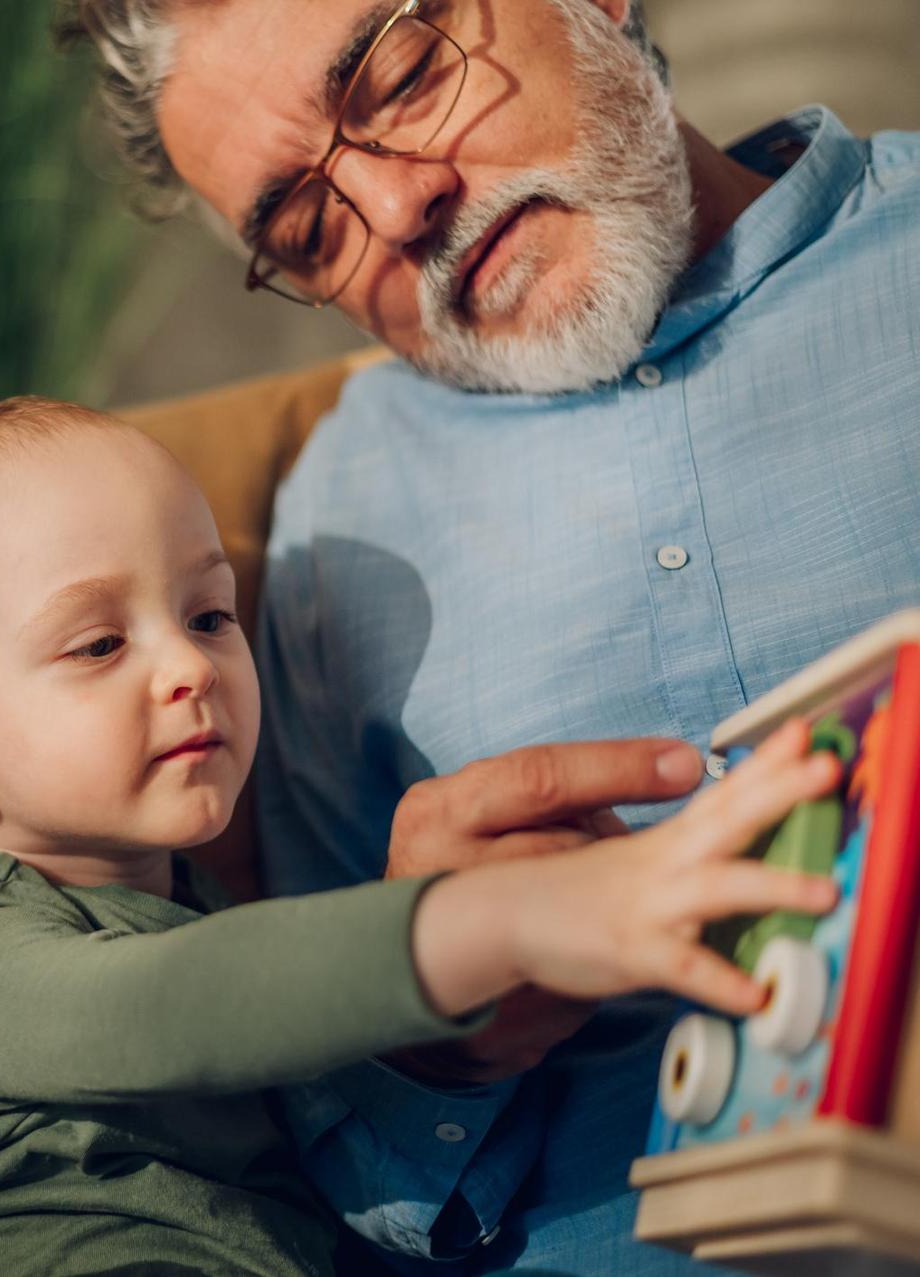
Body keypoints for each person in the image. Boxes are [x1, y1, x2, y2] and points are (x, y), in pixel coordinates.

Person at [63, 0, 920, 1269]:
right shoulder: (334, 531)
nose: (397, 210)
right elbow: (338, 1166)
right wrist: (429, 1035)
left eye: (404, 75)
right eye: (306, 227)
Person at [0, 396, 841, 1276]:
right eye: (99, 642)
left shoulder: (196, 904)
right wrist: (512, 915)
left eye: (210, 614)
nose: (188, 665)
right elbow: (177, 1005)